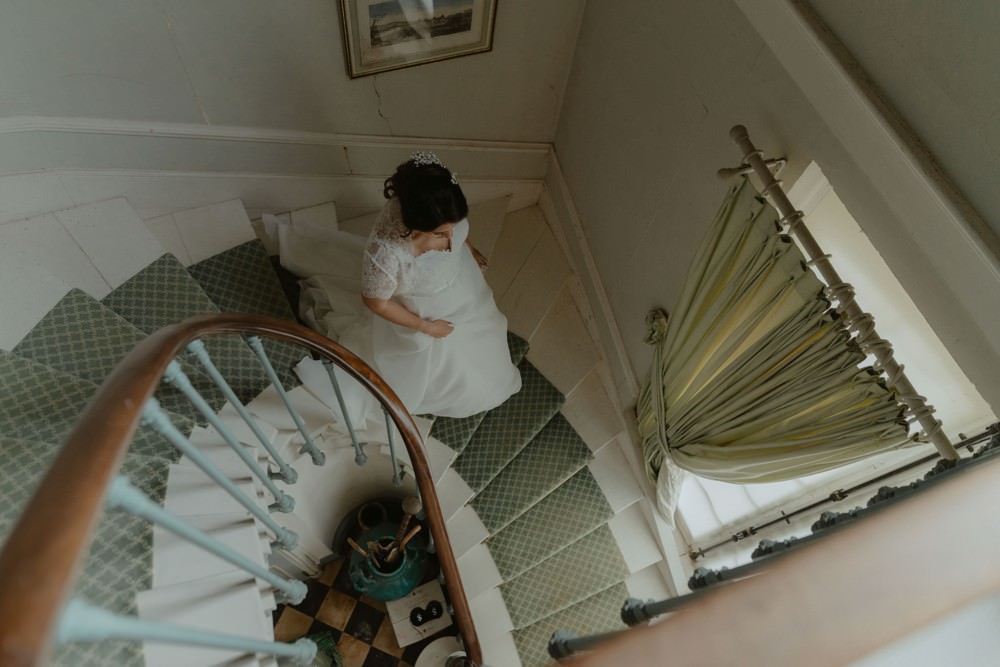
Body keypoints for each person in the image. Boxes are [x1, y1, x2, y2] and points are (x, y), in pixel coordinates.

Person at [279, 152, 521, 420]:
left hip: (461, 287)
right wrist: (426, 327)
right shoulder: (386, 254)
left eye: (454, 229)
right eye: (440, 235)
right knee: (448, 362)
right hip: (423, 312)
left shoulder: (442, 206)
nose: (451, 241)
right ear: (415, 228)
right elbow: (376, 302)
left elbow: (456, 231)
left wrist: (469, 249)